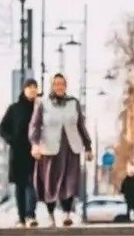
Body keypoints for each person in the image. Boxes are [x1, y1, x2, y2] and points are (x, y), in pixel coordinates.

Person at [29, 72, 92, 226]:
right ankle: (50, 215)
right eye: (56, 84)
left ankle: (66, 214)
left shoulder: (73, 103)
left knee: (69, 181)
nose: (59, 87)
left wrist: (88, 146)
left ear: (66, 86)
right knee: (50, 183)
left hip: (70, 147)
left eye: (62, 84)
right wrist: (35, 144)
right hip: (49, 148)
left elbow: (81, 125)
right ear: (52, 86)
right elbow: (35, 125)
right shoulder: (43, 104)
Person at [0, 77, 40, 226]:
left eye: (35, 87)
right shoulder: (14, 109)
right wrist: (11, 140)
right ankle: (22, 217)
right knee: (20, 185)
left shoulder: (39, 108)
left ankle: (30, 215)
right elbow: (2, 128)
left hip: (34, 152)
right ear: (24, 90)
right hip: (18, 152)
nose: (32, 90)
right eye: (29, 87)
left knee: (32, 183)